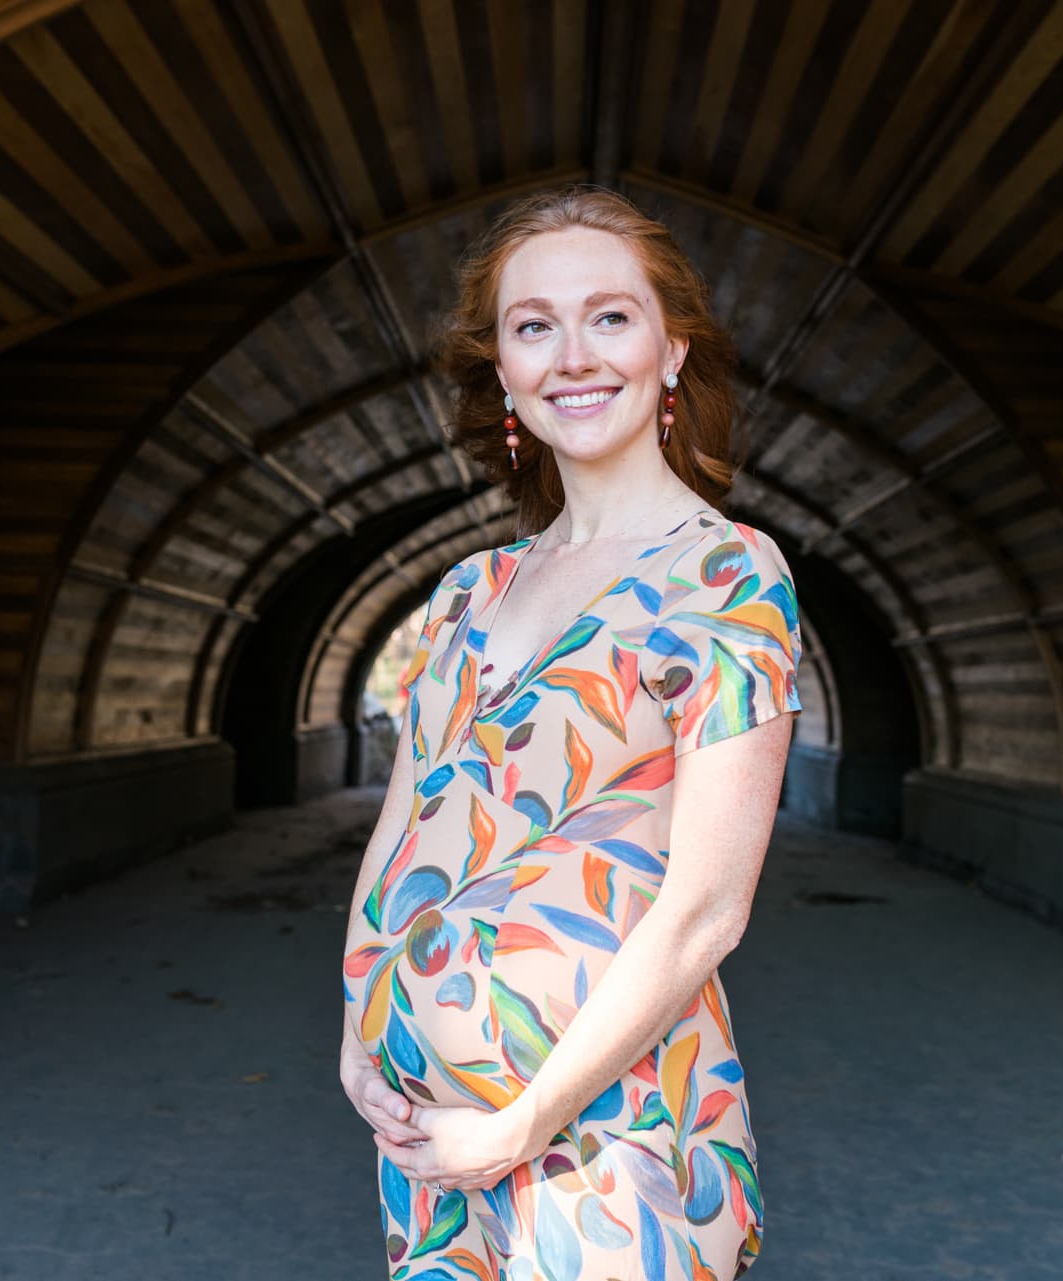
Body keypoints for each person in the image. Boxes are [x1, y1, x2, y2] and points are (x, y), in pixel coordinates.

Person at [337, 185, 803, 1280]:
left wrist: (526, 1119)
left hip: (612, 1137)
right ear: (502, 368)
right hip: (430, 1132)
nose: (571, 355)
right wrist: (359, 1029)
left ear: (671, 349)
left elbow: (706, 913)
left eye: (611, 316)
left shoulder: (726, 575)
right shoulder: (465, 590)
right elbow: (401, 830)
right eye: (533, 325)